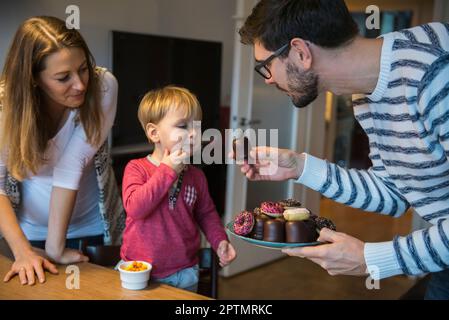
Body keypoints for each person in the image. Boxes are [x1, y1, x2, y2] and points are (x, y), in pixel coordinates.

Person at [234, 0, 449, 299]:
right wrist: (300, 167)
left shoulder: (435, 75)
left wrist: (372, 259)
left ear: (300, 52)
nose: (268, 80)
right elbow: (395, 194)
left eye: (265, 66)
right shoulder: (366, 92)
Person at [0, 16, 125, 285]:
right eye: (62, 77)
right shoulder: (4, 108)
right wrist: (22, 251)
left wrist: (55, 248)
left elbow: (71, 165)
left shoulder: (102, 86)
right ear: (33, 79)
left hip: (95, 227)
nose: (80, 84)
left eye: (83, 69)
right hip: (27, 234)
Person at [120, 86, 236, 292]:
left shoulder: (196, 176)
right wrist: (168, 169)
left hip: (184, 271)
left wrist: (219, 240)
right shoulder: (136, 168)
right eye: (183, 126)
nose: (193, 133)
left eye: (197, 126)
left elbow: (207, 214)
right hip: (139, 270)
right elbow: (136, 208)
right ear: (154, 133)